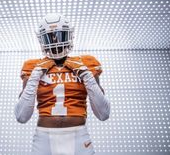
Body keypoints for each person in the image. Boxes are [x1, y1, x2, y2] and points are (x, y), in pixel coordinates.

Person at [14, 13, 110, 155]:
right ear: (42, 40)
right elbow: (21, 116)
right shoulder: (32, 66)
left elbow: (104, 113)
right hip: (44, 137)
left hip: (79, 136)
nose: (54, 40)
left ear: (69, 35)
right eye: (50, 36)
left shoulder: (86, 63)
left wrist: (86, 74)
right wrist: (35, 75)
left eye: (59, 35)